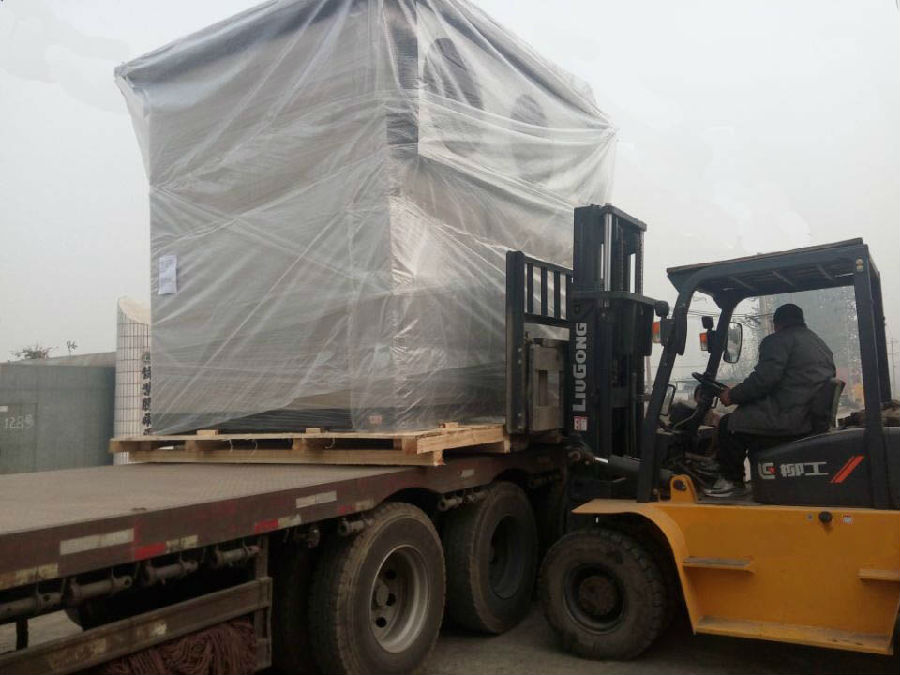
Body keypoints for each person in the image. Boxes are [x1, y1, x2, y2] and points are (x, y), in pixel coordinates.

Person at [705, 303, 835, 498]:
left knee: (729, 425)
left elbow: (764, 380)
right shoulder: (818, 343)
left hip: (789, 417)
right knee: (742, 416)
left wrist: (732, 395)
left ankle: (731, 481)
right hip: (805, 413)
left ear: (777, 324)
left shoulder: (778, 340)